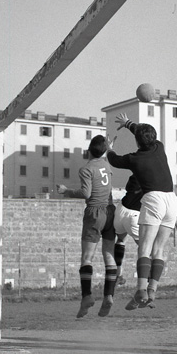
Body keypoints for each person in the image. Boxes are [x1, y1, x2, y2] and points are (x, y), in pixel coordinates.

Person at [107, 113, 177, 310]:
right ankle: (152, 290)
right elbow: (141, 132)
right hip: (172, 200)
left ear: (137, 142)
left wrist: (109, 149)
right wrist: (128, 124)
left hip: (154, 199)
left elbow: (114, 160)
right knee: (159, 249)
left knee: (144, 248)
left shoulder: (134, 159)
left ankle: (140, 291)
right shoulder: (159, 147)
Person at [72, 135, 118, 318]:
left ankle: (87, 296)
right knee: (109, 255)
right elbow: (103, 157)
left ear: (88, 150)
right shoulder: (106, 165)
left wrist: (66, 192)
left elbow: (86, 193)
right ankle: (109, 296)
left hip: (95, 213)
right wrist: (109, 147)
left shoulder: (86, 169)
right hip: (110, 211)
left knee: (87, 258)